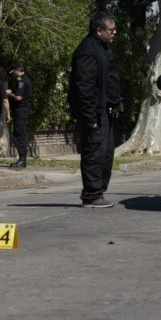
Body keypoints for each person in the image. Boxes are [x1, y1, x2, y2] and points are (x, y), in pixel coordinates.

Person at [68, 11, 123, 208]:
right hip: (94, 112)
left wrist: (115, 101)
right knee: (94, 152)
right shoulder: (87, 50)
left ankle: (98, 191)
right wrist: (89, 115)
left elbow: (110, 79)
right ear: (98, 30)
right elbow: (84, 86)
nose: (114, 32)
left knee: (106, 152)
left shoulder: (103, 48)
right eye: (111, 29)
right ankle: (91, 195)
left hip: (105, 110)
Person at [7, 63, 32, 168]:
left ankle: (22, 160)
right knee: (20, 133)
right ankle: (22, 159)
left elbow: (18, 97)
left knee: (19, 133)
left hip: (20, 110)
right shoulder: (26, 79)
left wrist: (9, 94)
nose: (13, 75)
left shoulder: (20, 81)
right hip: (22, 110)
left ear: (18, 70)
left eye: (13, 72)